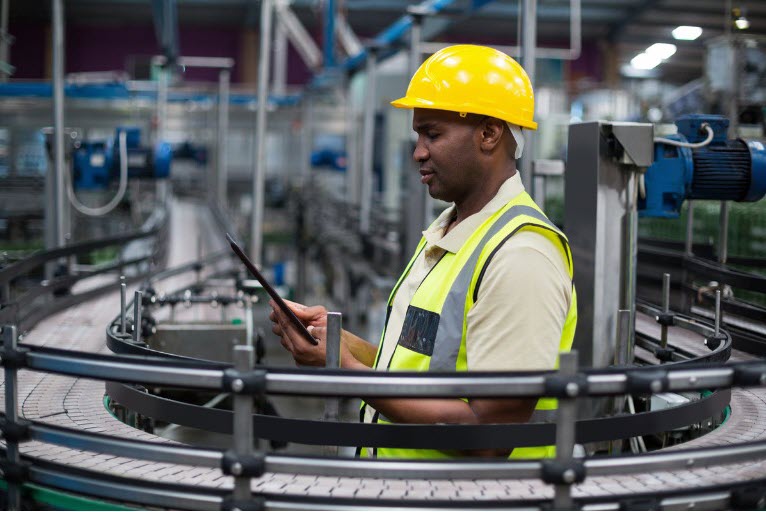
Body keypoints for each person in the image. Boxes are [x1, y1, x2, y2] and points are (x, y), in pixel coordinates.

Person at [270, 44, 577, 459]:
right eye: (418, 134)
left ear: (489, 133)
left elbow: (490, 436)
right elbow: (420, 368)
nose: (418, 151)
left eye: (433, 134)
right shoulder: (452, 232)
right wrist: (342, 346)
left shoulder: (521, 254)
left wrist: (347, 371)